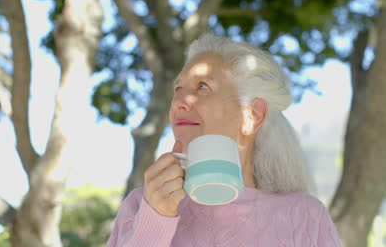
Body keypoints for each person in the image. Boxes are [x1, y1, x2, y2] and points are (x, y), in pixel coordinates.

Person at [107, 33, 341, 246]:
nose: (179, 101)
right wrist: (155, 219)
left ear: (252, 116)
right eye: (178, 89)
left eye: (202, 87)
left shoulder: (306, 216)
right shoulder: (142, 205)